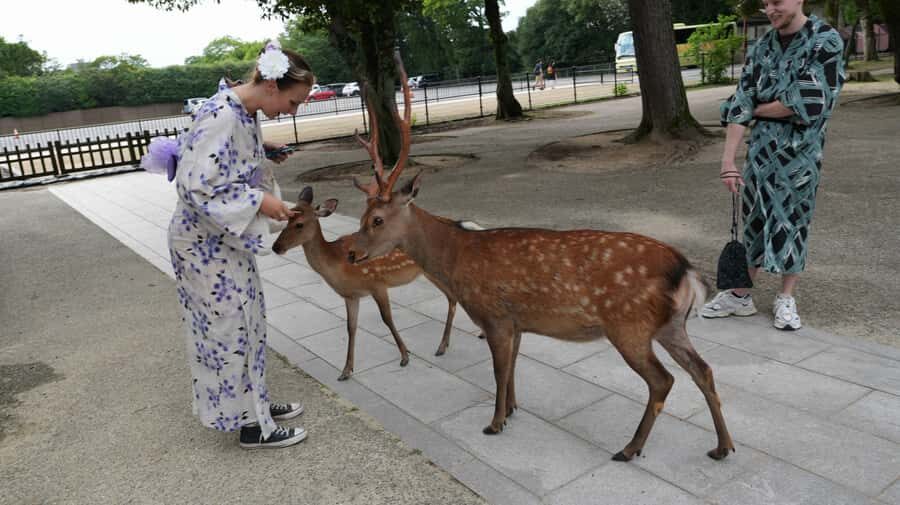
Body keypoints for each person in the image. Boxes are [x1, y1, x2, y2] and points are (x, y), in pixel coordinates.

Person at [167, 40, 312, 448]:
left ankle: (256, 404)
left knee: (248, 321)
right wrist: (261, 201)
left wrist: (263, 152)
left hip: (223, 240)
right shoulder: (222, 114)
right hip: (202, 245)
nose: (292, 110)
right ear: (271, 86)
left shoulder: (241, 111)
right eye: (294, 101)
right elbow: (195, 186)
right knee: (228, 330)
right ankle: (250, 425)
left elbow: (215, 157)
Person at [702, 0, 845, 331]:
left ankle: (786, 296)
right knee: (754, 220)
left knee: (792, 221)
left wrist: (756, 108)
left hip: (800, 157)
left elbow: (809, 103)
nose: (769, 10)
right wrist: (728, 161)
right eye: (765, 4)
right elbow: (740, 101)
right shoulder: (762, 47)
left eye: (776, 2)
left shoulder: (826, 40)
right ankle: (740, 295)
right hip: (760, 155)